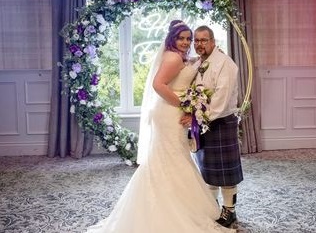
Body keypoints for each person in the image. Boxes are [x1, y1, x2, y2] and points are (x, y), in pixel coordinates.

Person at [86, 20, 236, 233]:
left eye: (189, 39)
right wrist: (184, 105)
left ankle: (179, 203)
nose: (186, 42)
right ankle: (169, 207)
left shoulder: (181, 57)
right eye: (181, 38)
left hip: (170, 111)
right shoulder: (173, 57)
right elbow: (158, 84)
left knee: (172, 158)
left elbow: (191, 68)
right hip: (168, 113)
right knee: (172, 158)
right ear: (172, 39)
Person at [181, 25, 243, 228]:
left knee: (225, 173)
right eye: (196, 41)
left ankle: (230, 211)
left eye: (203, 40)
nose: (199, 44)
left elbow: (221, 99)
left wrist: (198, 117)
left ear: (213, 41)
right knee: (208, 171)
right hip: (204, 123)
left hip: (221, 122)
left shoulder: (225, 63)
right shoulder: (200, 62)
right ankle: (214, 207)